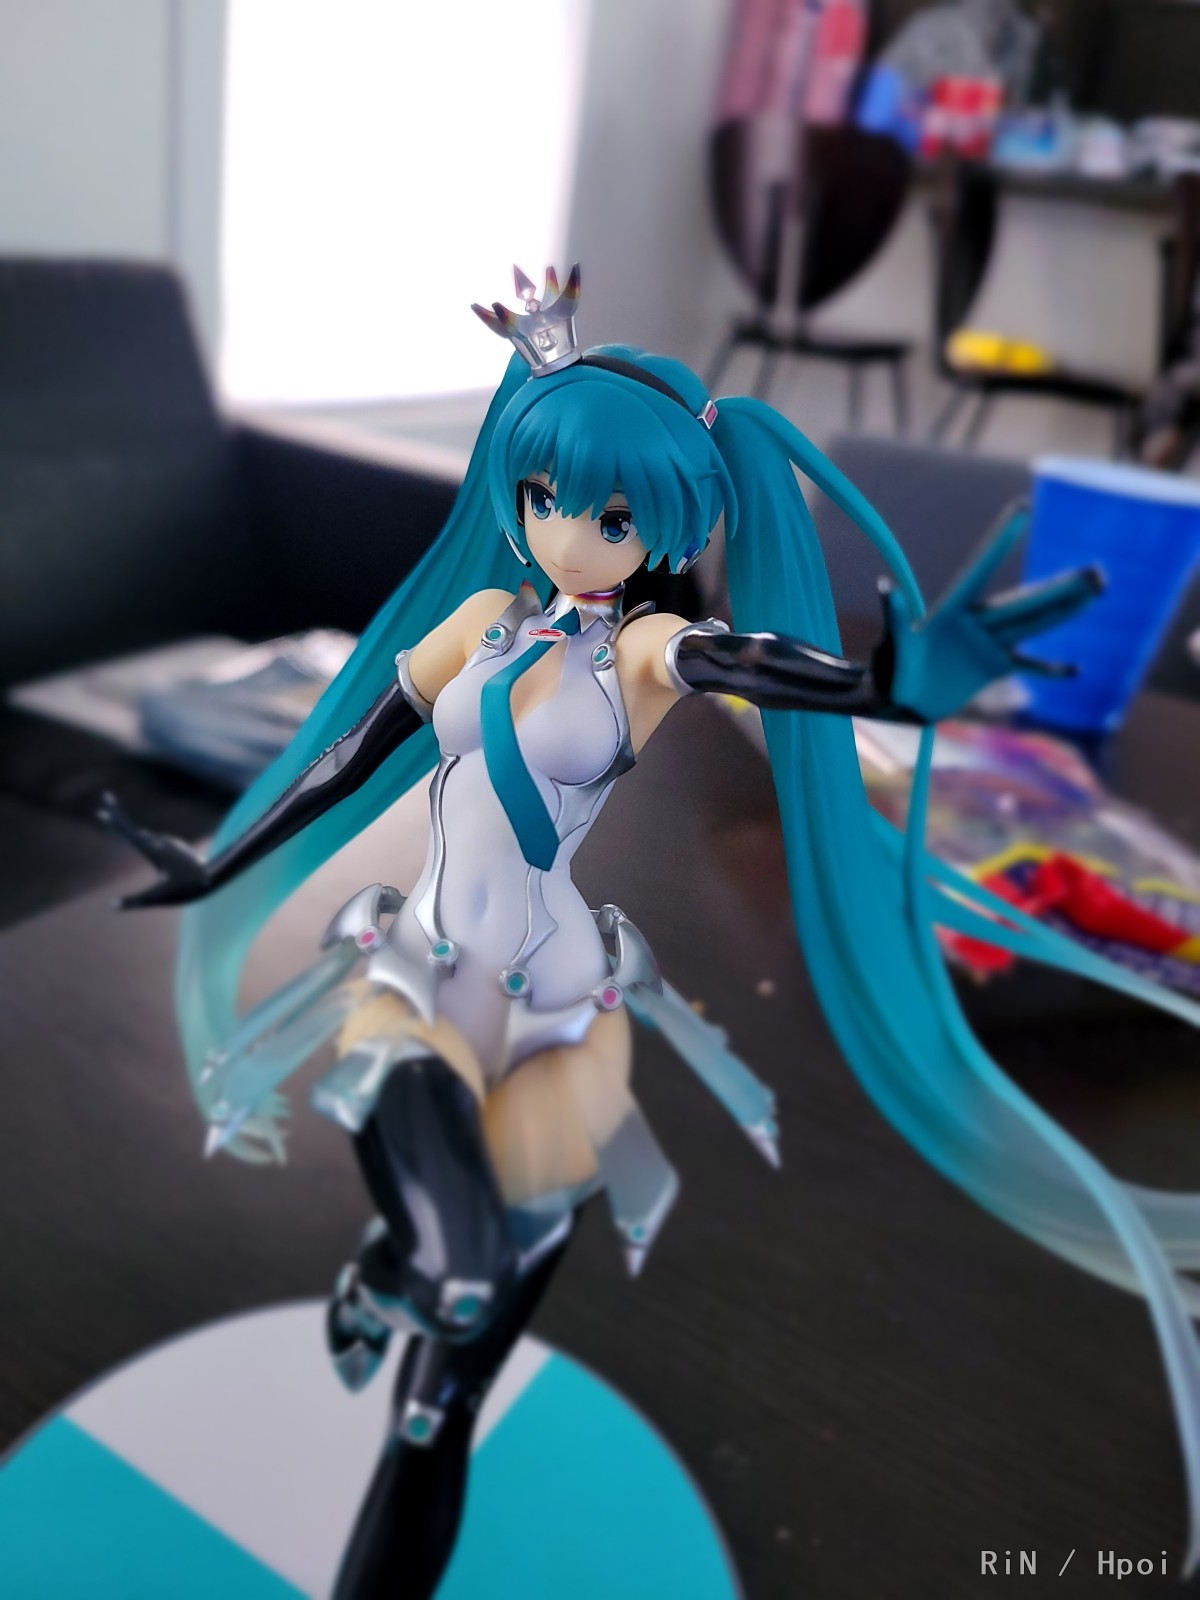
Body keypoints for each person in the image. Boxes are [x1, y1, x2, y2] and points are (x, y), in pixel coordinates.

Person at [102, 266, 1199, 1599]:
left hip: (552, 999)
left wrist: (888, 684)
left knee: (441, 1401)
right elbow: (346, 762)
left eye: (610, 517)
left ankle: (404, 1336)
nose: (567, 537)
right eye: (545, 497)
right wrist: (221, 860)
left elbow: (755, 666)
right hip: (424, 973)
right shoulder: (479, 625)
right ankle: (398, 1274)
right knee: (461, 1276)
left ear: (662, 527)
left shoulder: (646, 652)